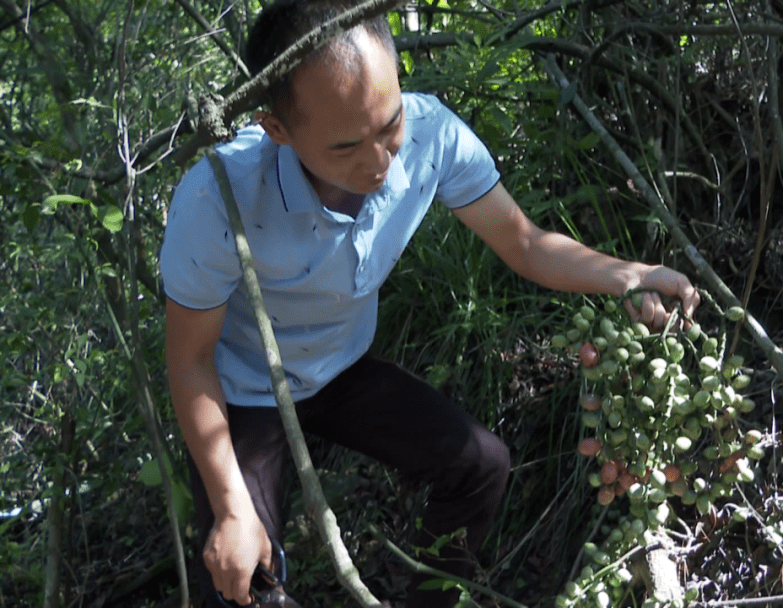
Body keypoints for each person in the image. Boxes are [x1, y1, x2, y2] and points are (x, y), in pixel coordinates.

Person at [159, 1, 700, 606]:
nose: (379, 162)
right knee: (239, 580)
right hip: (244, 390)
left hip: (341, 368)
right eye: (345, 147)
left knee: (481, 465)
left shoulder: (431, 135)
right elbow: (191, 359)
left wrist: (629, 275)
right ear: (276, 129)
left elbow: (524, 244)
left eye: (388, 126)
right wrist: (233, 509)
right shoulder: (220, 197)